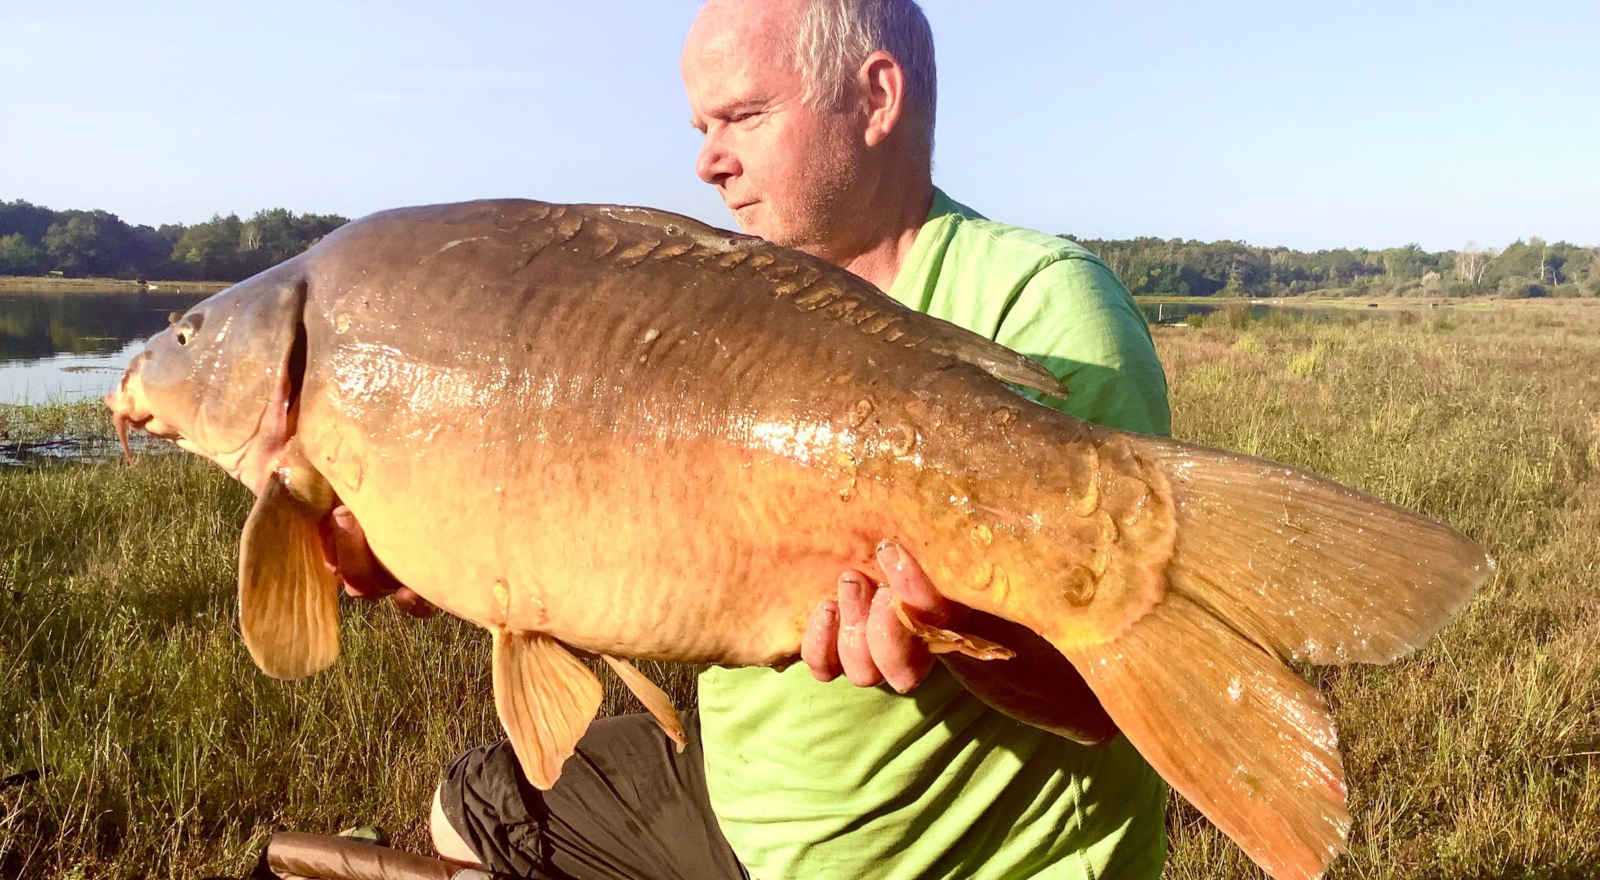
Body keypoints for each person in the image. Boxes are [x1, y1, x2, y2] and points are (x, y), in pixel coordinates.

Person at [328, 1, 1172, 877]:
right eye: (701, 126)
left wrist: (959, 637)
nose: (706, 162)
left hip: (928, 862)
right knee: (474, 805)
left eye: (742, 116)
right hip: (740, 813)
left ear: (877, 98)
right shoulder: (709, 312)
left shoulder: (1041, 309)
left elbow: (1122, 698)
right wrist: (446, 550)